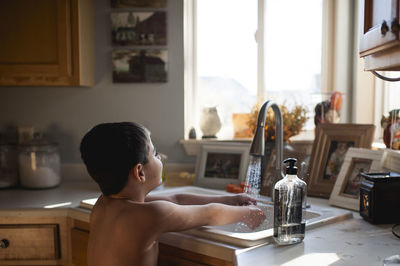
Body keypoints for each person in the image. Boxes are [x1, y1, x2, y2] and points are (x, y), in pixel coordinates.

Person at [80, 122, 266, 266]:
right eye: (155, 154)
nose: (160, 157)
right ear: (140, 172)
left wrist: (230, 199)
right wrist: (248, 214)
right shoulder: (151, 215)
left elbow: (177, 199)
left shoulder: (104, 203)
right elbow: (210, 214)